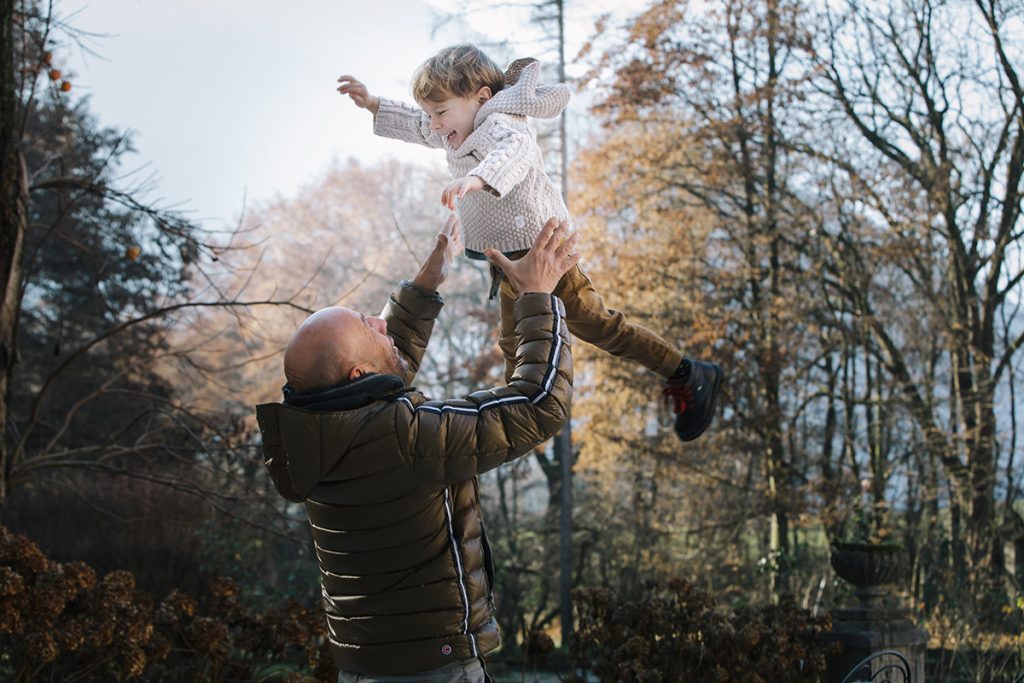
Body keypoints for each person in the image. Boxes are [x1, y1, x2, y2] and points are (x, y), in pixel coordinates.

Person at [337, 44, 723, 442]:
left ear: (480, 99)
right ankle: (513, 421)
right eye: (431, 114)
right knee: (512, 343)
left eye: (440, 113)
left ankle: (689, 373)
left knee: (597, 324)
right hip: (510, 260)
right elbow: (418, 124)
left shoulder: (500, 123)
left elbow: (515, 152)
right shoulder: (458, 128)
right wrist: (373, 104)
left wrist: (478, 179)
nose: (434, 125)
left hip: (544, 253)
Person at [256, 216, 582, 681]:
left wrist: (425, 285)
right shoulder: (406, 437)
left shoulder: (314, 433)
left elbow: (378, 375)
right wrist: (538, 296)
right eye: (368, 327)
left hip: (364, 665)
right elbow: (539, 403)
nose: (377, 319)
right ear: (358, 376)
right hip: (434, 667)